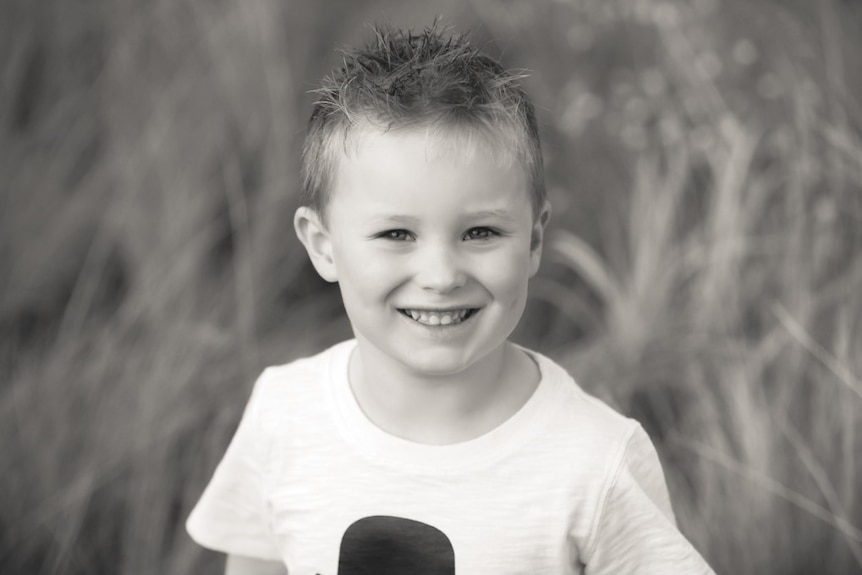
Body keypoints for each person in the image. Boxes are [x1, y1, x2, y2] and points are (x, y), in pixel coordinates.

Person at [186, 24, 715, 575]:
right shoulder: (284, 415)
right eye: (397, 235)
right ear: (323, 247)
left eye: (480, 233)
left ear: (534, 241)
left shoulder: (595, 461)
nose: (440, 276)